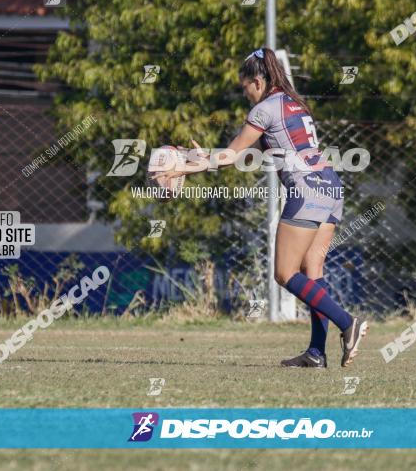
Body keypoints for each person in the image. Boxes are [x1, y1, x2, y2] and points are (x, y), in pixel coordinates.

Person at [153, 47, 368, 367]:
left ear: (257, 81)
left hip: (306, 189)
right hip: (330, 185)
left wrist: (183, 168)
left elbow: (232, 155)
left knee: (285, 273)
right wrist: (195, 159)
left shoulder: (264, 109)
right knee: (313, 272)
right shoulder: (296, 103)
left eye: (245, 87)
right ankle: (316, 353)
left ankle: (348, 323)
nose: (245, 94)